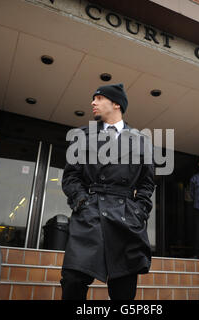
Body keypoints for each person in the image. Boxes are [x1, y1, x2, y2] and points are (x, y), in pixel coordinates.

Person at [60, 83, 155, 300]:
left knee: (124, 290)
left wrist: (139, 212)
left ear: (116, 104)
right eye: (93, 99)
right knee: (73, 280)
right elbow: (71, 177)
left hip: (126, 220)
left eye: (99, 98)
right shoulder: (82, 135)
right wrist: (81, 202)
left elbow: (147, 184)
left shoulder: (142, 141)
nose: (93, 102)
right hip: (89, 214)